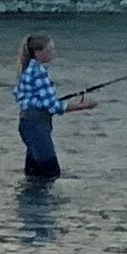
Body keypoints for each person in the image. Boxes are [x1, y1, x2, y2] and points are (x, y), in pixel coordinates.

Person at [14, 33, 91, 179]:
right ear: (38, 53)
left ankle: (31, 202)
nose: (53, 53)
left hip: (27, 124)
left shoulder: (27, 69)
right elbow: (52, 106)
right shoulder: (39, 72)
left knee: (33, 174)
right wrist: (82, 106)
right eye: (50, 50)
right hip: (37, 127)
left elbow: (22, 97)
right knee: (51, 172)